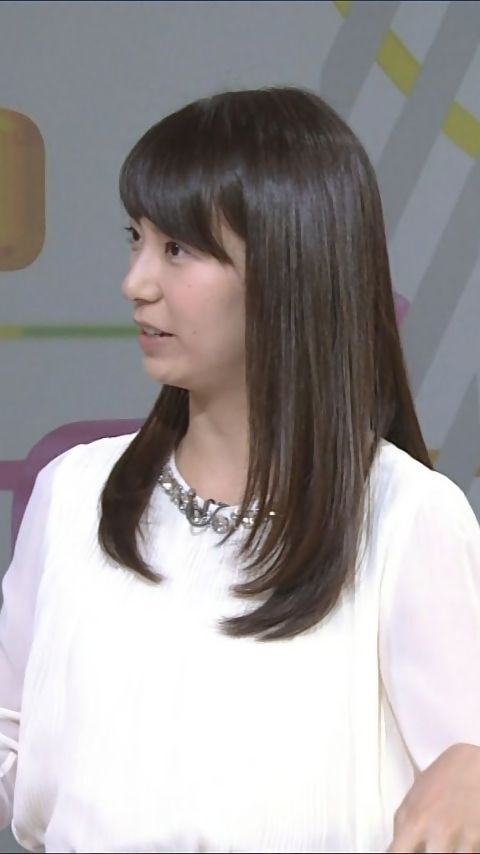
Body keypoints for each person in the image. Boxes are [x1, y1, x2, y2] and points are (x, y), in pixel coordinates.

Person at [1, 86, 480, 854]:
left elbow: (461, 779)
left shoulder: (404, 517)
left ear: (292, 264)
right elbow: (13, 743)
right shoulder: (73, 494)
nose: (137, 282)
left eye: (178, 249)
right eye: (136, 239)